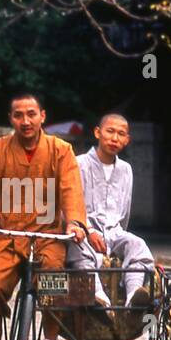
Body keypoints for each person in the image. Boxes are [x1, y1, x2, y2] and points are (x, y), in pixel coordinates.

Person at [0, 93, 88, 340]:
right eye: (19, 115)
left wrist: (74, 222)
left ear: (42, 116)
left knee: (53, 278)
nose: (26, 121)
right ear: (11, 119)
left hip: (47, 234)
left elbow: (71, 190)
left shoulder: (61, 150)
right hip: (5, 235)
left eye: (31, 114)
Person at [66, 113, 155, 309]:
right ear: (98, 133)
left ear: (127, 140)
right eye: (110, 131)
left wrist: (117, 239)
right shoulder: (79, 164)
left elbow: (125, 211)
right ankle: (97, 295)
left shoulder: (126, 170)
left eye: (121, 134)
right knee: (77, 246)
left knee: (137, 245)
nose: (115, 138)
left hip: (114, 232)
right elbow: (71, 204)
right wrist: (88, 231)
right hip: (84, 232)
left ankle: (133, 296)